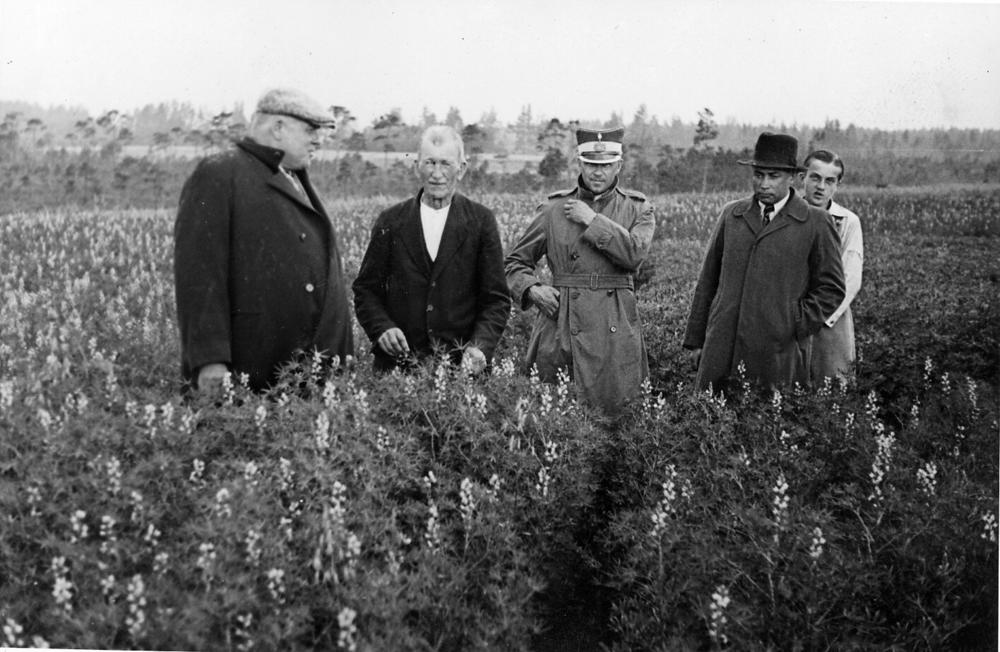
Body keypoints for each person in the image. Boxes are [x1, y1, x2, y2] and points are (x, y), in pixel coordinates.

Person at [174, 88, 353, 392]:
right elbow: (199, 275)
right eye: (310, 130)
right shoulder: (220, 172)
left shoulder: (293, 176)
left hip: (311, 373)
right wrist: (210, 360)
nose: (318, 140)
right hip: (255, 370)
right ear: (278, 128)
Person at [505, 127, 655, 415]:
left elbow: (634, 255)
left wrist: (592, 220)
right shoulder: (553, 209)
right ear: (579, 164)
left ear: (619, 166)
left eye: (606, 165)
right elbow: (514, 263)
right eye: (590, 164)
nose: (597, 172)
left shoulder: (638, 209)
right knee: (555, 414)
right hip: (560, 324)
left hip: (615, 324)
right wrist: (533, 289)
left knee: (618, 417)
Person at [682, 132, 845, 392]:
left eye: (773, 176)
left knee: (767, 412)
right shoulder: (732, 215)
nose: (764, 184)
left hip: (778, 353)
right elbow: (708, 281)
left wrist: (793, 322)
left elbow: (832, 289)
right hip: (721, 347)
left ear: (792, 178)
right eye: (759, 175)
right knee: (713, 413)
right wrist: (697, 340)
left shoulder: (816, 222)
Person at [352, 125, 510, 373]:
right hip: (399, 367)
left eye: (445, 163)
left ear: (462, 169)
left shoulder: (481, 221)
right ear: (417, 165)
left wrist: (480, 347)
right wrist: (381, 328)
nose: (437, 174)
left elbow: (496, 299)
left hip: (460, 370)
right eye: (430, 162)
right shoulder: (391, 221)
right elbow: (365, 290)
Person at [802, 149, 864, 383]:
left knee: (832, 384)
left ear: (838, 185)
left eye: (829, 181)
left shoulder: (848, 221)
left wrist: (817, 317)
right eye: (815, 178)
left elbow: (851, 278)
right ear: (802, 178)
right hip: (789, 318)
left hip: (830, 319)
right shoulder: (787, 216)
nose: (821, 187)